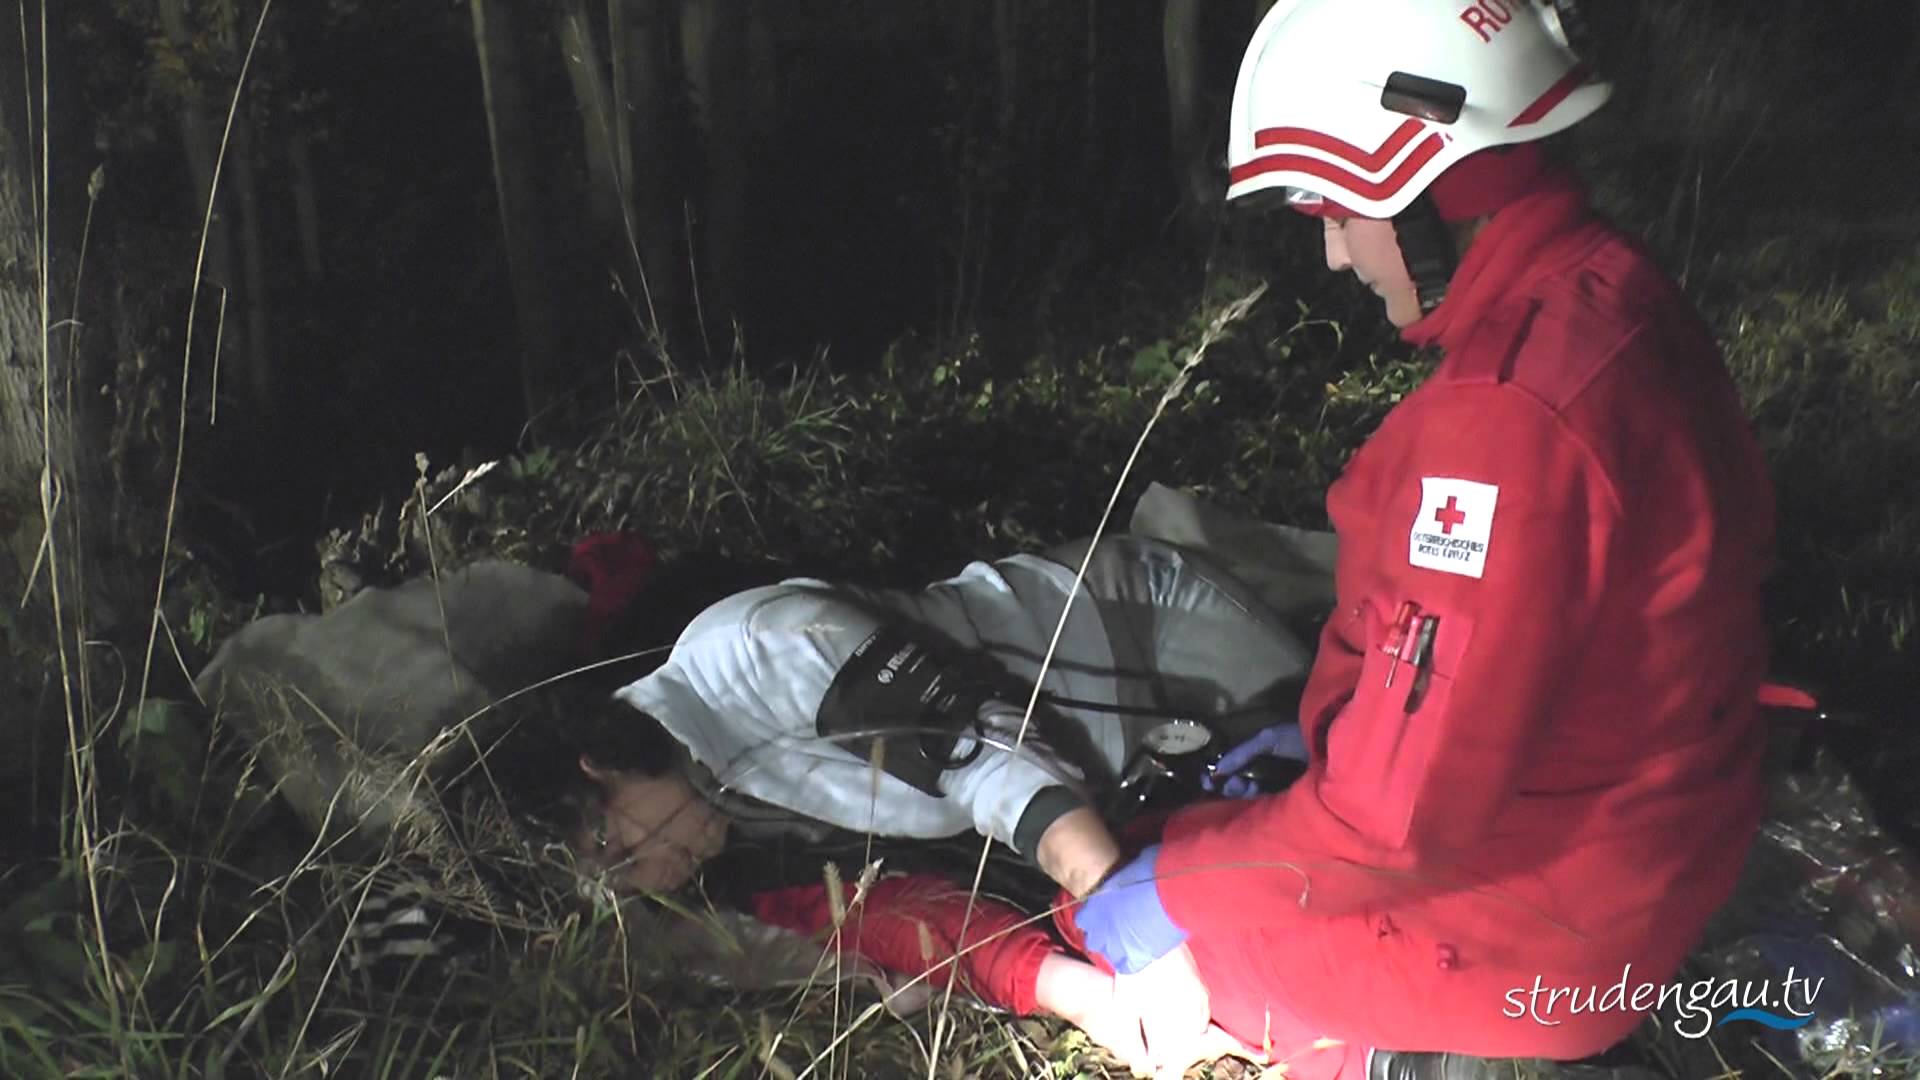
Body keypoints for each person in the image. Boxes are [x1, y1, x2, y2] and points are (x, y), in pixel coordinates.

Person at [1064, 2, 1779, 1078]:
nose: (1336, 255)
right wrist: (1333, 733)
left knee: (1115, 898)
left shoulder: (1501, 423)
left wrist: (1170, 888)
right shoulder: (1612, 291)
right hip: (1663, 846)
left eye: (1337, 212)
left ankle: (1402, 1057)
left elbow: (1385, 834)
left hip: (1538, 937)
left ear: (1421, 183)